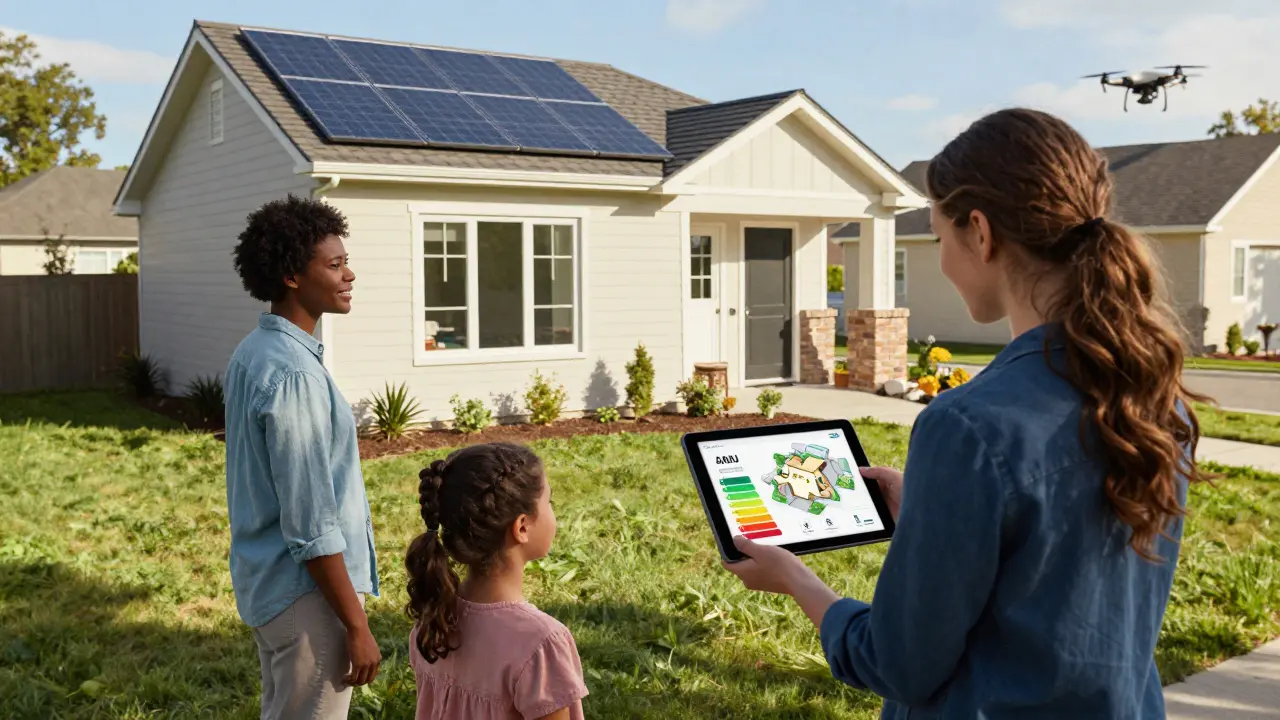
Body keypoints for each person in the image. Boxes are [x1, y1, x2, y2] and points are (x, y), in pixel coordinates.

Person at [722, 108, 1210, 718]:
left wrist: (799, 581)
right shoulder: (1155, 402)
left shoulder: (969, 426)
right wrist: (936, 513)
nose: (945, 260)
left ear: (979, 232)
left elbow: (898, 662)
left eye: (938, 237)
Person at [225, 194, 381, 719]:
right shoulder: (293, 373)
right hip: (306, 599)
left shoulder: (255, 352)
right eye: (334, 264)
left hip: (269, 586)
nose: (349, 274)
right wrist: (355, 624)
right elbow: (310, 520)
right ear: (292, 275)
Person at [405, 442, 588, 720]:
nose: (552, 511)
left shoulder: (433, 620)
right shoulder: (540, 643)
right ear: (522, 526)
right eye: (549, 501)